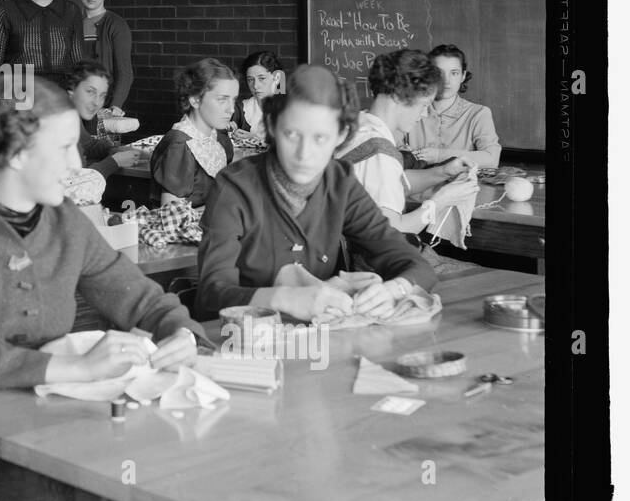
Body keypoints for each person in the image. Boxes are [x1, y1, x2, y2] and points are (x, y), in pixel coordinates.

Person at [0, 79, 209, 390]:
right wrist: (77, 367)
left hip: (52, 414)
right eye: (64, 148)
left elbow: (140, 298)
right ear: (15, 154)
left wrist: (181, 334)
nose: (76, 164)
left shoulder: (66, 221)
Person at [196, 65, 437, 321]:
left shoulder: (340, 182)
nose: (304, 154)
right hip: (244, 340)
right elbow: (212, 293)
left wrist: (392, 289)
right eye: (292, 135)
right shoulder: (235, 186)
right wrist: (285, 298)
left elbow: (417, 266)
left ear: (341, 135)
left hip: (318, 341)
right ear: (273, 127)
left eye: (320, 138)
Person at [336, 50, 472, 236]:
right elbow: (393, 233)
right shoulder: (379, 153)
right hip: (378, 262)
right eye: (424, 105)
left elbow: (395, 182)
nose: (424, 114)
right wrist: (441, 201)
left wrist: (443, 172)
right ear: (397, 97)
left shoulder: (360, 125)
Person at [150, 59, 239, 207]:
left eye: (233, 100)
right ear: (195, 100)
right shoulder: (179, 145)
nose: (231, 109)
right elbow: (172, 217)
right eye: (222, 99)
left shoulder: (220, 138)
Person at [403, 44, 502, 168]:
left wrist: (439, 155)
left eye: (454, 73)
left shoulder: (478, 113)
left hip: (462, 185)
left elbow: (492, 159)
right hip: (415, 185)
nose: (446, 81)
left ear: (463, 76)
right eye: (438, 73)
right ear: (428, 75)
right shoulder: (410, 110)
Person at [64, 61, 139, 178]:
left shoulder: (70, 115)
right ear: (71, 91)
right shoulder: (52, 125)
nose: (96, 102)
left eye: (102, 95)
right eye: (90, 92)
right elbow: (73, 182)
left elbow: (88, 145)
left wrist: (114, 149)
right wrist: (115, 162)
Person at [77, 0, 134, 111]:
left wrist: (115, 105)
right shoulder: (72, 23)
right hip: (77, 102)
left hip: (105, 104)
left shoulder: (116, 25)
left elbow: (125, 73)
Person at [234, 50, 286, 141]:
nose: (255, 86)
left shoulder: (289, 108)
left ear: (277, 78)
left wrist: (255, 138)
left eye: (261, 78)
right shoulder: (240, 109)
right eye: (250, 79)